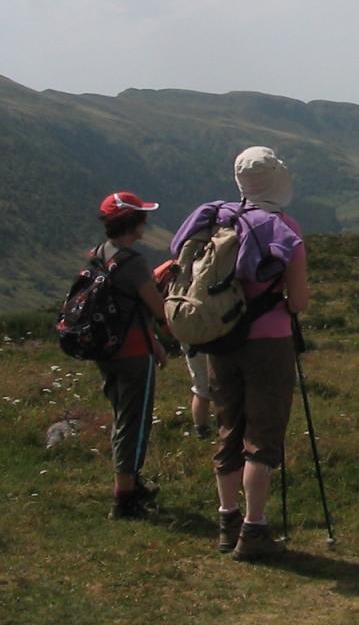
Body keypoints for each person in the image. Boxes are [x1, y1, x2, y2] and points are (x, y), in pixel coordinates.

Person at [175, 147, 309, 560]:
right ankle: (254, 530)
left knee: (228, 429)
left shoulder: (218, 220)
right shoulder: (284, 229)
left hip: (221, 338)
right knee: (262, 437)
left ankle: (225, 521)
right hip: (269, 342)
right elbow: (299, 301)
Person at [92, 191, 168, 519]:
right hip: (134, 351)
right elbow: (157, 308)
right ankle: (125, 499)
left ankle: (131, 482)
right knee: (135, 423)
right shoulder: (134, 263)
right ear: (132, 222)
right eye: (141, 217)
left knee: (123, 417)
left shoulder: (98, 254)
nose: (145, 222)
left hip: (106, 348)